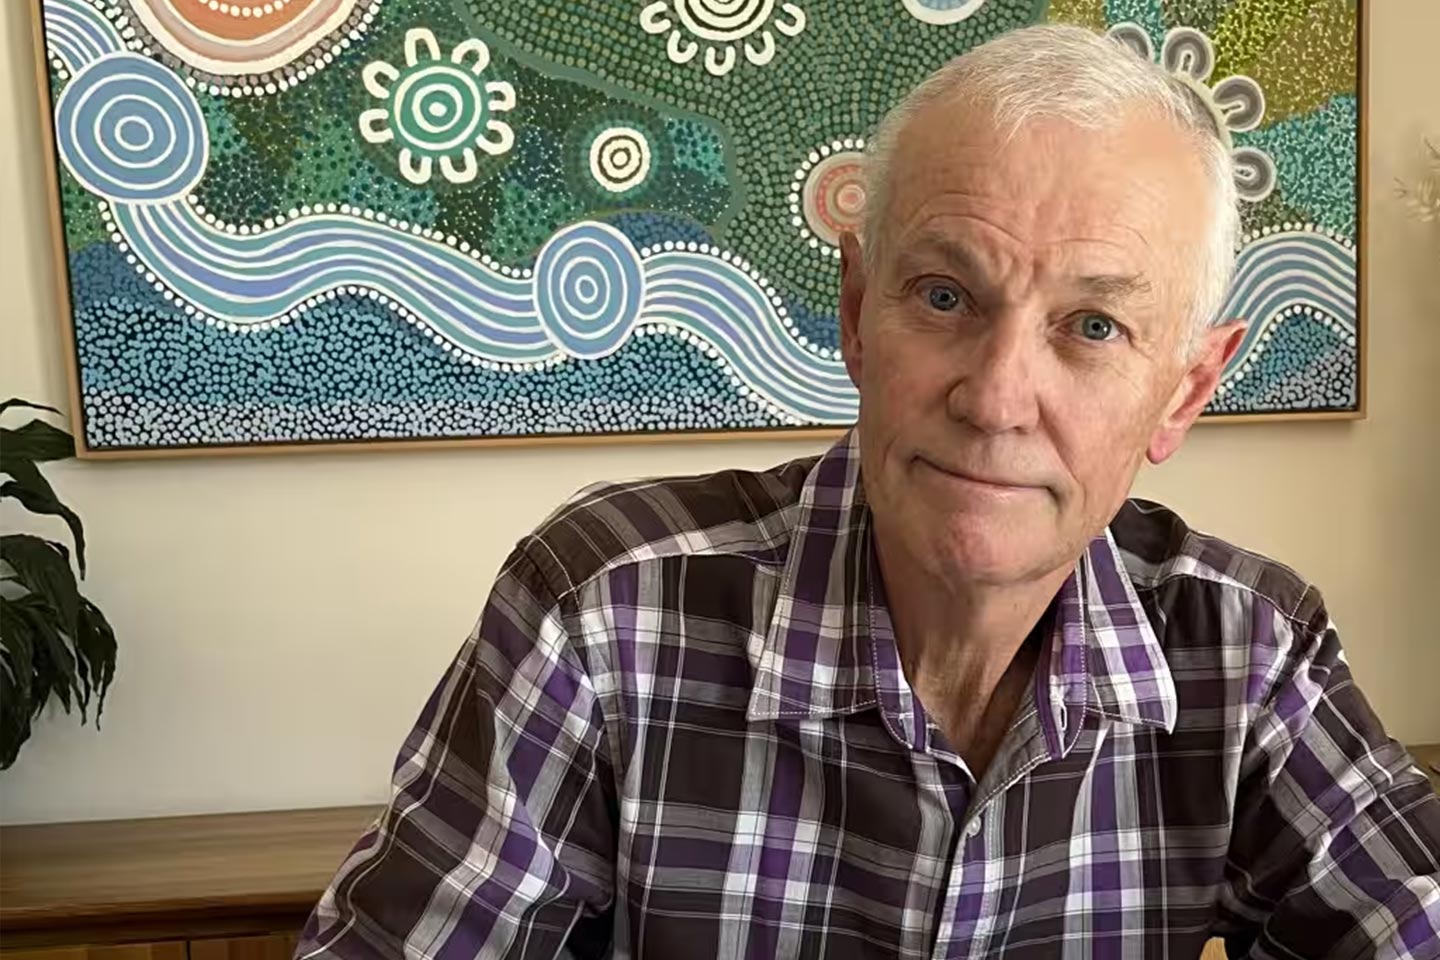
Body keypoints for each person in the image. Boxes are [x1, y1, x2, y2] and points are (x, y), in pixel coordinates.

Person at [296, 23, 1440, 960]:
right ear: (855, 311)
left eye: (1093, 327)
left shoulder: (1251, 652)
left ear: (1185, 391)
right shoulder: (602, 613)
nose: (997, 398)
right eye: (945, 296)